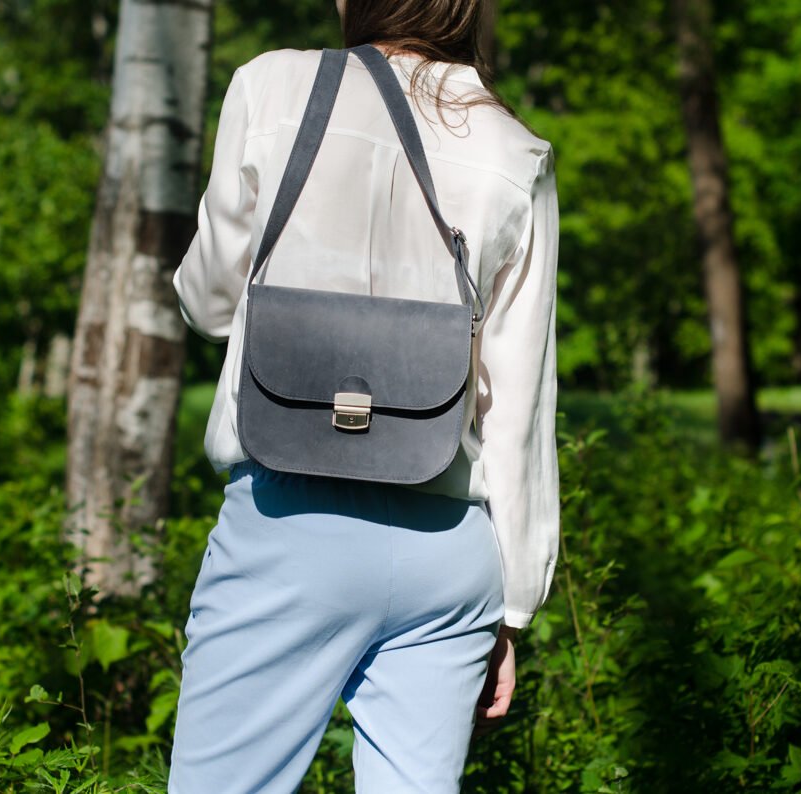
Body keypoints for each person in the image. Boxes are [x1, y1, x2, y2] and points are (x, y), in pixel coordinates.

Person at [168, 1, 559, 791]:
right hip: (448, 550)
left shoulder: (273, 89)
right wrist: (514, 608)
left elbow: (208, 302)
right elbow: (518, 412)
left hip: (289, 524)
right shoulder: (517, 149)